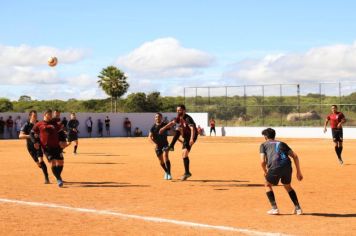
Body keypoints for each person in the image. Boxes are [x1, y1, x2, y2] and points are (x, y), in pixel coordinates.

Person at [260, 128, 303, 215]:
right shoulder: (282, 143)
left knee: (267, 184)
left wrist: (265, 171)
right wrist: (298, 172)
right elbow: (295, 156)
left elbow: (262, 161)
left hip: (275, 166)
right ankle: (298, 208)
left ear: (265, 136)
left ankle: (274, 208)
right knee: (287, 186)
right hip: (287, 166)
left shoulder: (263, 145)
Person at [160, 104, 198, 181]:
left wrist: (191, 139)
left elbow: (192, 129)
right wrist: (163, 128)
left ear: (184, 110)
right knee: (178, 129)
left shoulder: (188, 118)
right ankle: (171, 146)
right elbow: (171, 123)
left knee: (184, 153)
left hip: (191, 136)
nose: (178, 111)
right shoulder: (179, 117)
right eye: (177, 110)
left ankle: (187, 172)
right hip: (186, 135)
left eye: (179, 110)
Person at [31, 109, 68, 187]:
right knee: (53, 162)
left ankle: (58, 175)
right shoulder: (39, 124)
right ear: (45, 114)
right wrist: (35, 142)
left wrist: (64, 141)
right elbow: (32, 133)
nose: (51, 116)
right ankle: (58, 179)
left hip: (57, 146)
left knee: (61, 162)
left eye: (51, 115)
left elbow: (61, 132)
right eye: (49, 114)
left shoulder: (54, 123)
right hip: (47, 148)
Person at [19, 110, 50, 184]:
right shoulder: (26, 125)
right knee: (39, 164)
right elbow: (20, 136)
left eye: (36, 116)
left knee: (41, 160)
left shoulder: (39, 124)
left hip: (38, 145)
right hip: (30, 146)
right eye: (34, 116)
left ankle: (46, 178)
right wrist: (31, 136)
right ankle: (44, 170)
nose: (35, 117)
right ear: (30, 116)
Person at [149, 113, 172, 180]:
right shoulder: (153, 127)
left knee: (166, 156)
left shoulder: (164, 125)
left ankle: (169, 174)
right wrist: (154, 144)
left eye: (159, 117)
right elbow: (149, 137)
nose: (157, 118)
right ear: (155, 118)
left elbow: (171, 129)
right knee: (161, 161)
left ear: (161, 118)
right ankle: (166, 172)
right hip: (157, 145)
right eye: (156, 117)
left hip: (165, 144)